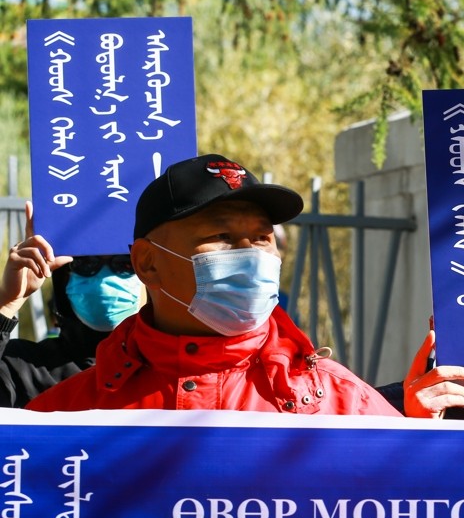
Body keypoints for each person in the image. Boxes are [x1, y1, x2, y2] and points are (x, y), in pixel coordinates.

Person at [28, 153, 400, 416]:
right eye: (222, 235)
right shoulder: (68, 414)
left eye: (261, 238)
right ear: (148, 262)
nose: (250, 254)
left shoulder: (343, 405)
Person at [0, 202, 143, 407]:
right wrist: (7, 302)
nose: (103, 279)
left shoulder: (173, 369)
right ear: (64, 277)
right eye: (86, 263)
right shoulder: (21, 367)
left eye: (124, 264)